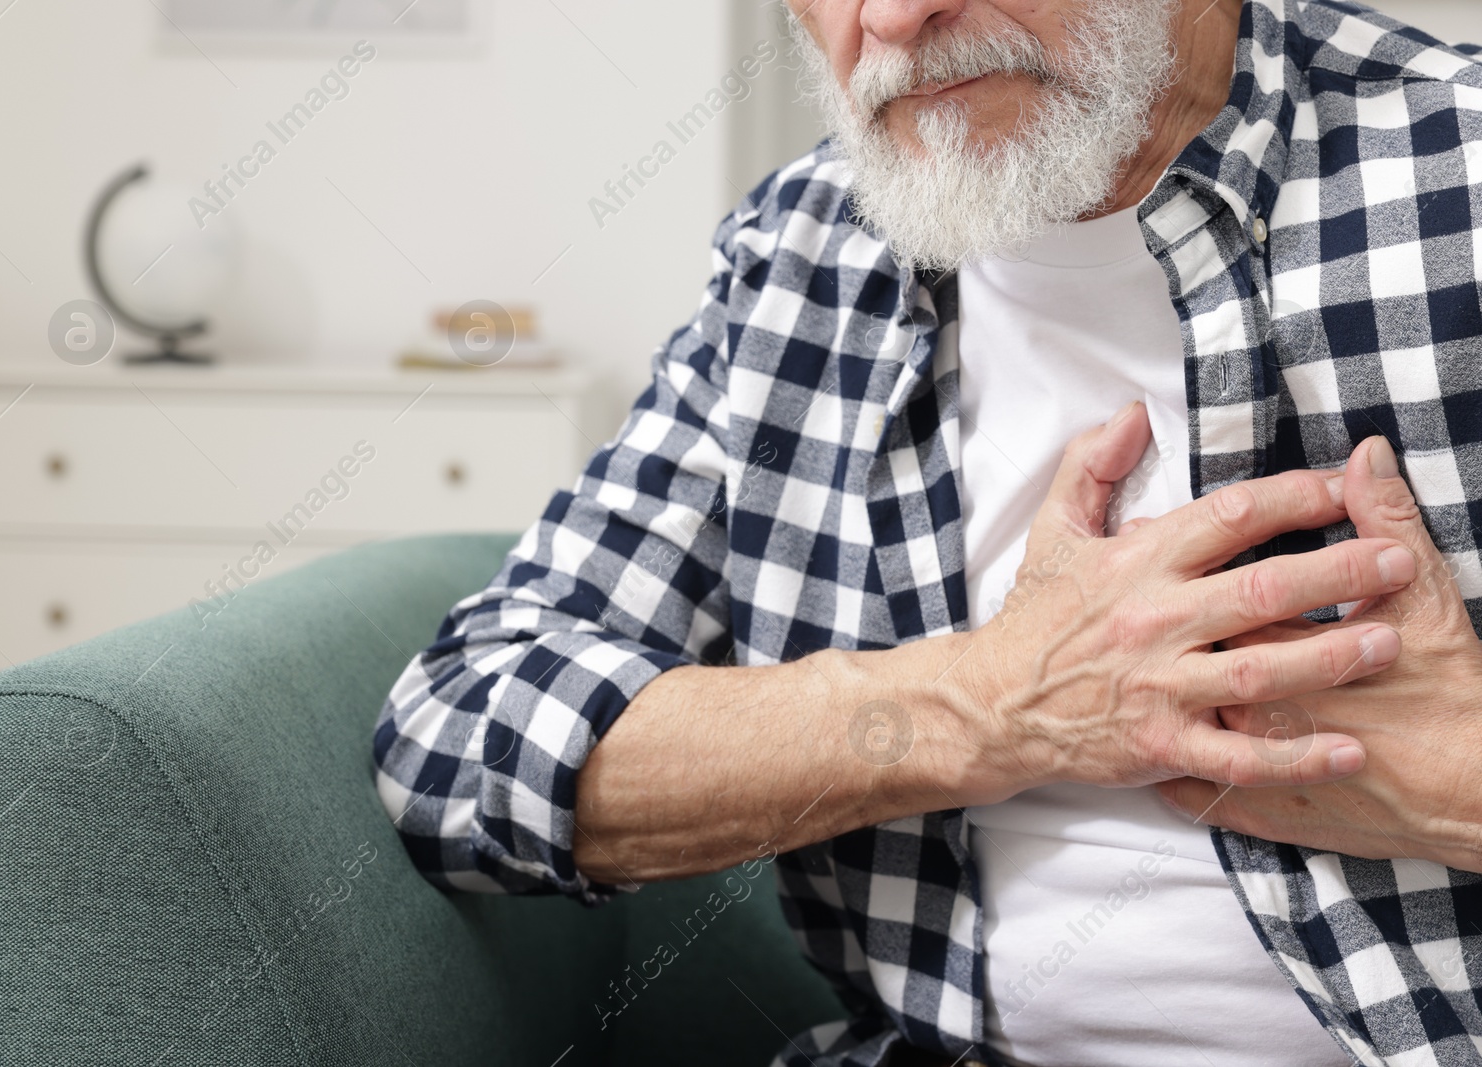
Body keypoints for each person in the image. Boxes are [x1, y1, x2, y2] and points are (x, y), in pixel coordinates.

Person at [373, 1, 1482, 1063]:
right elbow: (458, 739)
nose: (896, 17)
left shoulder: (1457, 170)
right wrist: (989, 702)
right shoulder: (801, 260)